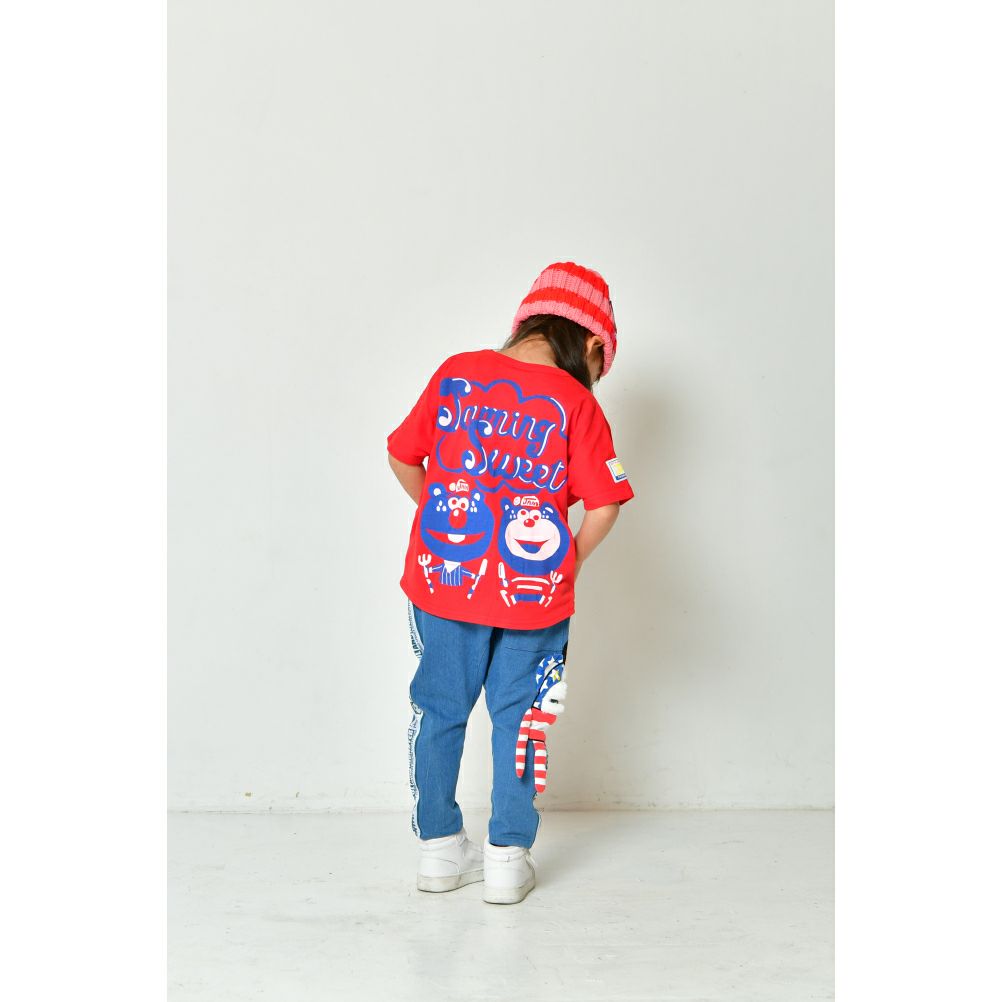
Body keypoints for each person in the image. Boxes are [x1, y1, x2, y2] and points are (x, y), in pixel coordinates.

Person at [386, 261, 635, 904]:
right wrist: (569, 560)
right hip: (534, 596)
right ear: (591, 342)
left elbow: (402, 454)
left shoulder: (457, 373)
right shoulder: (577, 402)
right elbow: (605, 503)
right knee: (521, 721)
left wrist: (441, 520)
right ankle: (506, 857)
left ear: (527, 322)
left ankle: (439, 850)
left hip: (445, 582)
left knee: (439, 709)